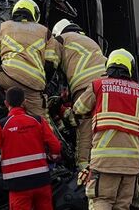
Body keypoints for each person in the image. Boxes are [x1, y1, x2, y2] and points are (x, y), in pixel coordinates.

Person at [72, 48, 139, 210]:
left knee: (98, 201)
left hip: (105, 160)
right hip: (131, 163)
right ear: (129, 68)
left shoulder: (98, 85)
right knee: (121, 208)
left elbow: (78, 108)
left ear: (108, 65)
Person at [45, 18, 106, 169]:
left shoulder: (60, 40)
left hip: (85, 86)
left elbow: (51, 64)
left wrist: (41, 85)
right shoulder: (89, 41)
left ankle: (83, 167)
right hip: (106, 86)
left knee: (84, 125)